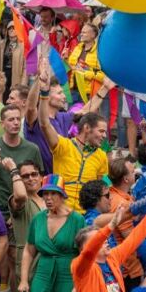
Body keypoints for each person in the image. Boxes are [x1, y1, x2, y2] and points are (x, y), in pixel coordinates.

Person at [37, 61, 108, 211]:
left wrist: (106, 88)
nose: (104, 136)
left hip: (86, 217)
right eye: (101, 131)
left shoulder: (102, 156)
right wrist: (43, 93)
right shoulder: (64, 145)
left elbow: (102, 190)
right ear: (87, 128)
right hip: (61, 212)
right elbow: (44, 123)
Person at [19, 173, 85, 292]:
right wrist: (24, 280)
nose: (48, 198)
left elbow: (84, 254)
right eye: (45, 194)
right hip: (43, 271)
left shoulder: (76, 219)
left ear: (62, 195)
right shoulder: (38, 219)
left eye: (53, 193)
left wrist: (80, 282)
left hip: (68, 274)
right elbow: (29, 250)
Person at [0, 104, 43, 218]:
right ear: (2, 124)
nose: (16, 123)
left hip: (22, 208)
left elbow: (39, 181)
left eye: (18, 119)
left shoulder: (32, 149)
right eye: (11, 119)